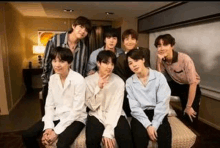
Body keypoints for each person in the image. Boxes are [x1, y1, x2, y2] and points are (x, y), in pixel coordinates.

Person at [22, 47, 87, 148]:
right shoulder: (52, 79)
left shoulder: (79, 79)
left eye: (61, 61)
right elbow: (49, 105)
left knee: (62, 143)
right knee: (27, 135)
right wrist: (48, 127)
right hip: (58, 115)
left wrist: (55, 132)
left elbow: (77, 110)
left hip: (76, 118)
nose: (57, 65)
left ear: (69, 63)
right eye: (54, 60)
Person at [85, 50, 133, 148]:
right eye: (105, 63)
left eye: (112, 64)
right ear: (98, 63)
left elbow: (116, 108)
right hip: (96, 114)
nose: (109, 66)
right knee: (91, 140)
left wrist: (108, 131)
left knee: (126, 139)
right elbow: (93, 106)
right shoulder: (88, 81)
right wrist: (99, 88)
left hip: (116, 113)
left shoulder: (119, 82)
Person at [125, 49, 172, 148]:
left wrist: (154, 125)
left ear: (143, 60)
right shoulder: (129, 82)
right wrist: (147, 125)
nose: (134, 65)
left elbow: (163, 103)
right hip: (140, 114)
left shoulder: (159, 77)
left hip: (158, 112)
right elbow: (134, 108)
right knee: (139, 138)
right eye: (130, 63)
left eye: (136, 60)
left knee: (164, 137)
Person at [41, 16, 92, 103]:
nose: (83, 31)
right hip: (56, 84)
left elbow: (83, 68)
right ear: (73, 26)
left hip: (74, 87)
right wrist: (46, 82)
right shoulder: (55, 40)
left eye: (86, 30)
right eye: (81, 27)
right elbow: (46, 62)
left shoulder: (84, 47)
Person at [155, 33, 201, 128]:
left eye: (165, 45)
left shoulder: (185, 59)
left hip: (190, 86)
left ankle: (191, 134)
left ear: (172, 46)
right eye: (159, 46)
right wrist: (158, 62)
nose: (162, 48)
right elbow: (160, 78)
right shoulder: (162, 59)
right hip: (176, 84)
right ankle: (163, 115)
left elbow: (193, 83)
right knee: (157, 88)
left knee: (190, 115)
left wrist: (188, 107)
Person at [114, 29, 151, 117]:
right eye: (127, 39)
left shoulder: (145, 52)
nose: (130, 42)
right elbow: (121, 77)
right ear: (123, 42)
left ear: (136, 41)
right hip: (129, 89)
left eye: (132, 39)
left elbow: (148, 68)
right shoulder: (120, 58)